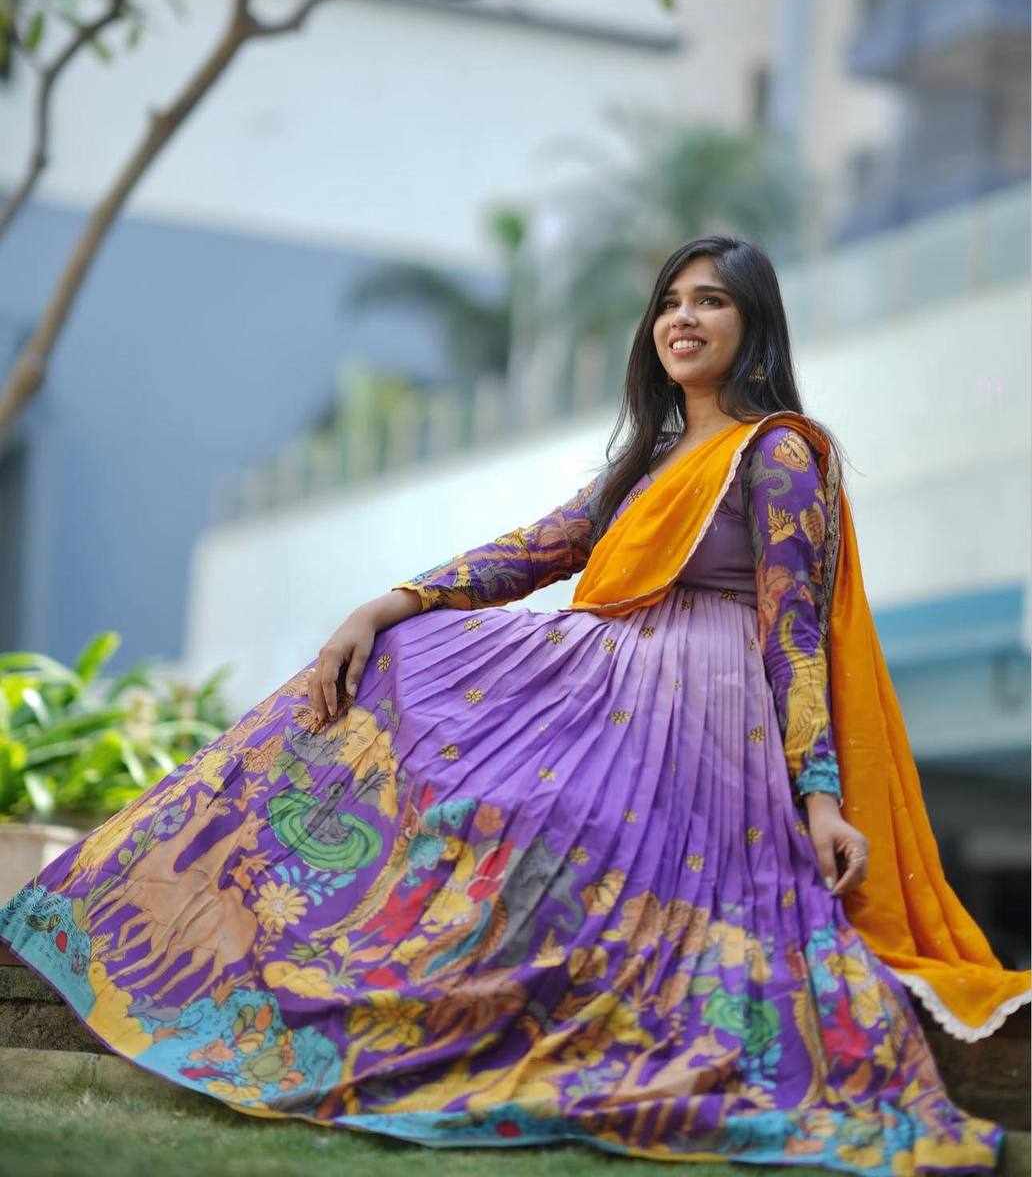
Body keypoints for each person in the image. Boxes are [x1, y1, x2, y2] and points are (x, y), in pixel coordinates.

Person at [2, 236, 1028, 1173]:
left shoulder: (779, 452)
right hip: (608, 684)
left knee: (598, 867)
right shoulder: (649, 460)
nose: (683, 317)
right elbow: (533, 549)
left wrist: (820, 796)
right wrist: (387, 603)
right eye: (671, 301)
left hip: (710, 717)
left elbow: (794, 629)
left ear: (752, 324)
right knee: (408, 663)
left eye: (711, 301)